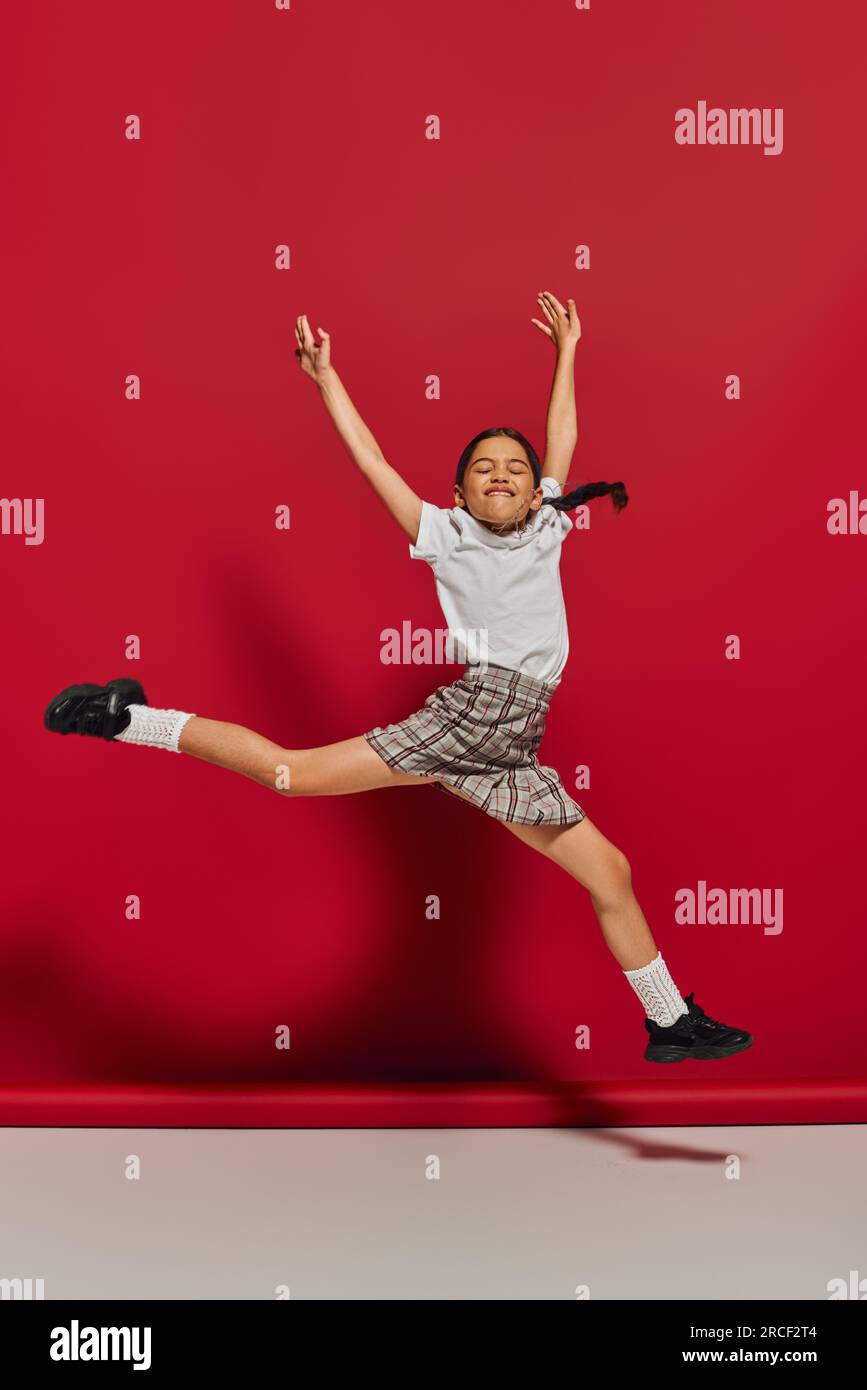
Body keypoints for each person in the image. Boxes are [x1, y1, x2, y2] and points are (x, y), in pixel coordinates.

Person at [44, 293, 752, 1063]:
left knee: (609, 872)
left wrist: (567, 353)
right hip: (477, 716)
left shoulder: (549, 521)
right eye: (483, 469)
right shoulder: (443, 536)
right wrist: (326, 381)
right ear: (459, 495)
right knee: (292, 775)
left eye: (515, 468)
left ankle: (667, 1022)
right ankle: (128, 719)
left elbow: (563, 439)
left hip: (513, 741)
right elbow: (372, 460)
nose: (503, 475)